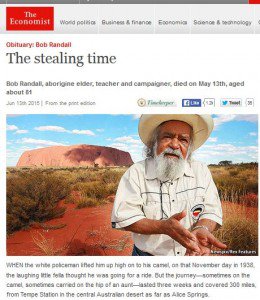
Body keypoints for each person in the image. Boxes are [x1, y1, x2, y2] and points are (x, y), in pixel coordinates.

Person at [111, 114, 226, 256]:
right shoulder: (136, 172)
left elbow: (211, 210)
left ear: (189, 146)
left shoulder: (201, 171)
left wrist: (203, 227)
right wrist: (162, 227)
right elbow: (125, 216)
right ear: (155, 142)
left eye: (183, 139)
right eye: (167, 137)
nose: (175, 145)